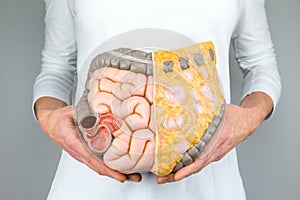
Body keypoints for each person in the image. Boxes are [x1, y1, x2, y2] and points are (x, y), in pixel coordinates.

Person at [33, 0, 281, 199]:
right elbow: (56, 68)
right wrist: (48, 117)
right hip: (89, 186)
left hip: (208, 187)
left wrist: (249, 117)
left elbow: (261, 64)